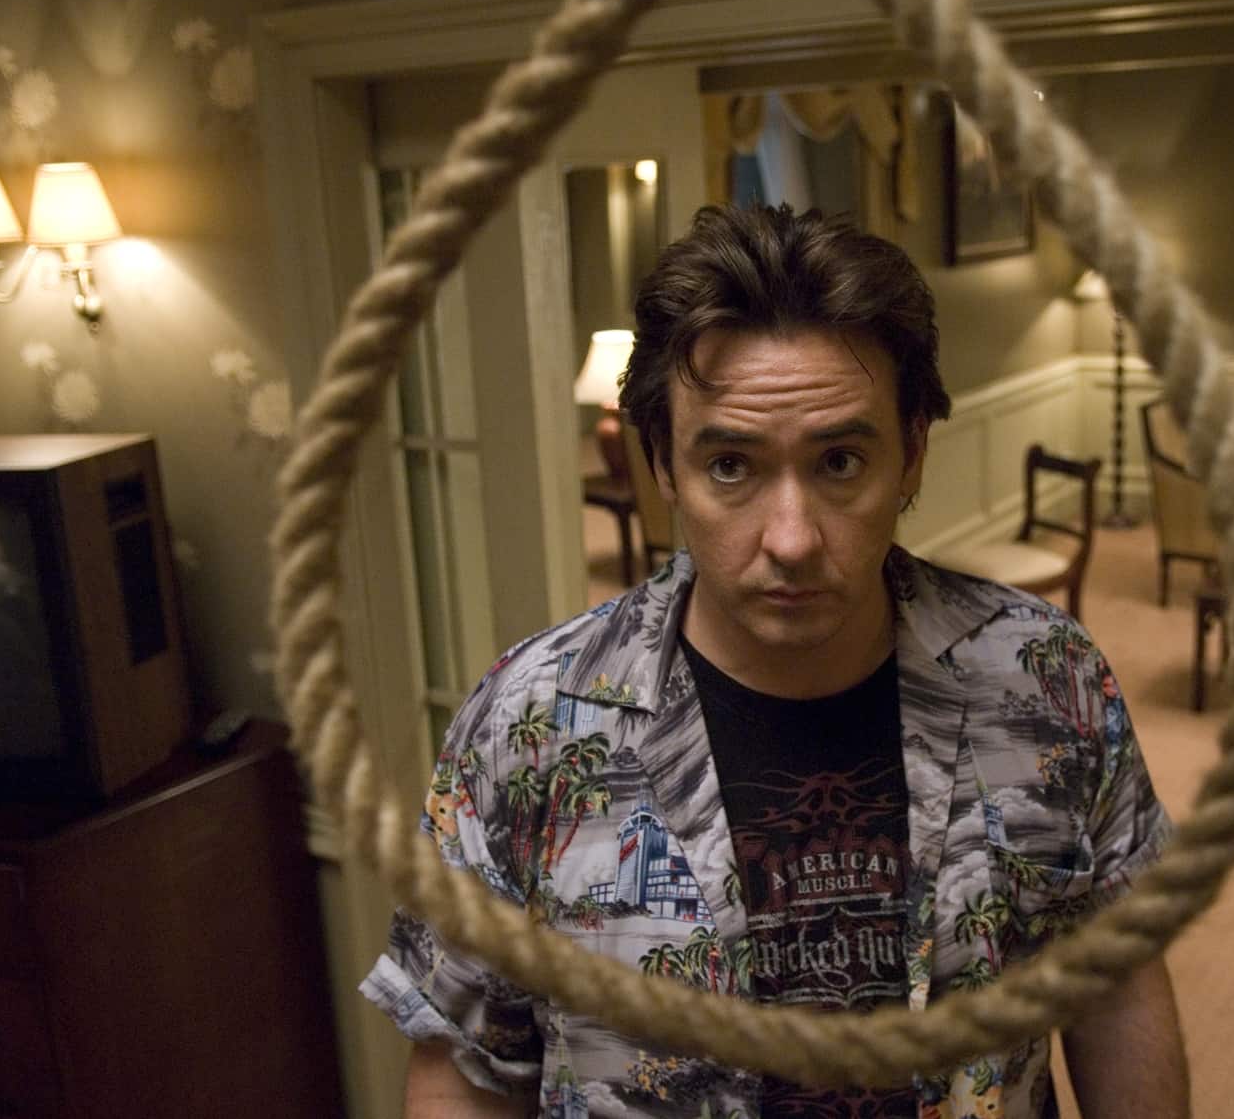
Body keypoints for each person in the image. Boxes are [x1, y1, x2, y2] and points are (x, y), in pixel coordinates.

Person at [362, 204, 1189, 1119]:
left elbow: (1117, 988)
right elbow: (466, 1064)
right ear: (664, 466)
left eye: (839, 462)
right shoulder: (527, 726)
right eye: (730, 465)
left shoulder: (1048, 678)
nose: (791, 539)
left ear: (912, 453)